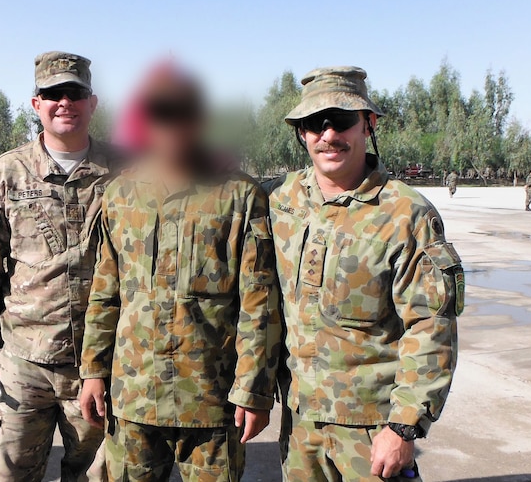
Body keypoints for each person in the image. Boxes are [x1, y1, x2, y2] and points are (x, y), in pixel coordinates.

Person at [79, 67, 280, 482]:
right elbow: (105, 293)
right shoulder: (120, 194)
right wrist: (93, 371)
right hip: (134, 397)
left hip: (211, 399)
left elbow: (259, 305)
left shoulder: (240, 196)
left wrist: (253, 390)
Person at [267, 67, 462, 482]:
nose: (327, 135)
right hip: (301, 426)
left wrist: (405, 425)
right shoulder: (282, 201)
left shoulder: (406, 214)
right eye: (312, 124)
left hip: (373, 431)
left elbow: (430, 325)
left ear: (367, 124)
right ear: (300, 132)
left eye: (340, 120)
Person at [0, 51, 120, 482]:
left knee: (99, 476)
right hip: (22, 362)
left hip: (99, 363)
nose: (63, 102)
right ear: (36, 104)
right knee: (6, 474)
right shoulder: (6, 173)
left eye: (75, 92)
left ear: (93, 102)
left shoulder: (126, 172)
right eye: (52, 94)